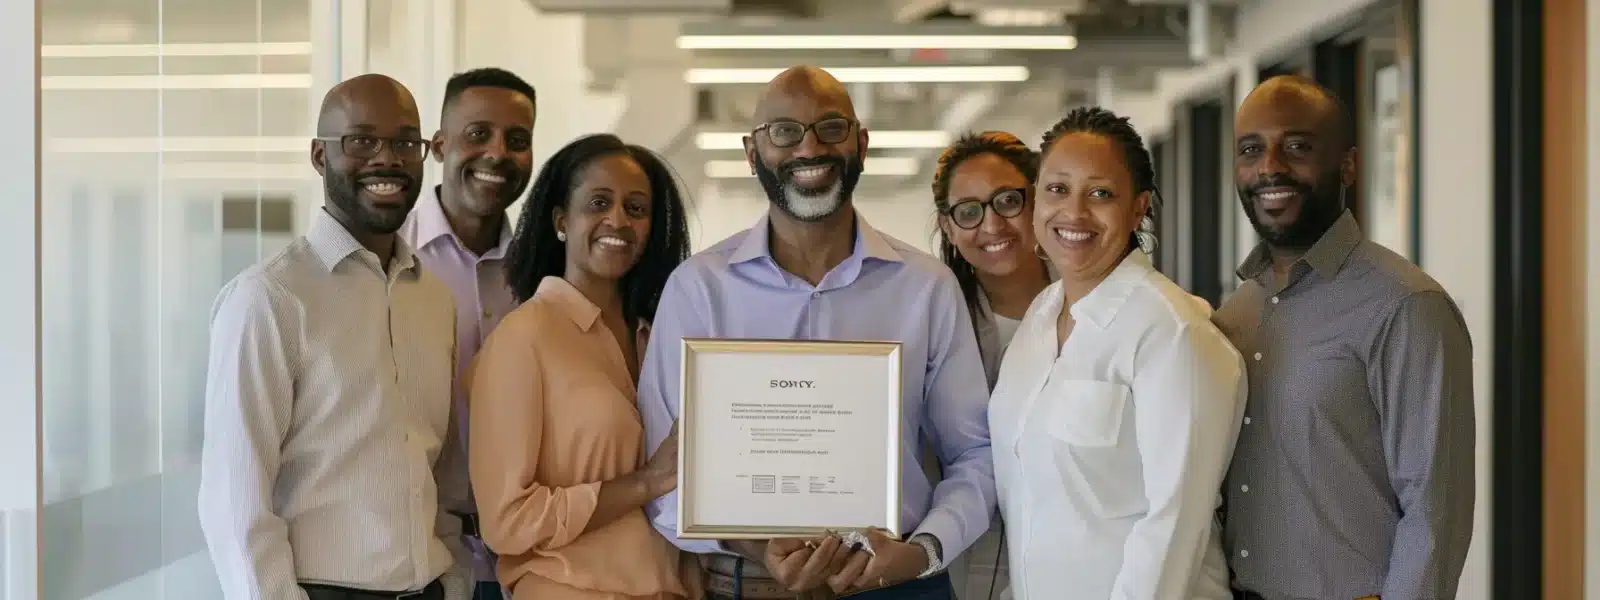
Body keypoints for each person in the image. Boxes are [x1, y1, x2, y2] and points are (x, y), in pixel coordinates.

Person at [635, 65, 996, 600]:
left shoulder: (926, 289)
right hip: (749, 586)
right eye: (784, 131)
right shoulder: (698, 290)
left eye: (831, 128)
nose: (809, 148)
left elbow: (977, 455)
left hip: (896, 586)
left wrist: (923, 551)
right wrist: (760, 547)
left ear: (862, 144)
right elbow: (664, 476)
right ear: (752, 152)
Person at [198, 73, 470, 600]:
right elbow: (235, 503)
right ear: (320, 157)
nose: (386, 159)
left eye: (404, 143)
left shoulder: (433, 299)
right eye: (361, 141)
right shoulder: (269, 298)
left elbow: (434, 468)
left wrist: (453, 580)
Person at [1217, 75, 1475, 600]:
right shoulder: (1236, 311)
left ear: (1349, 165)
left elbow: (1433, 510)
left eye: (1297, 147)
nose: (1270, 167)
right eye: (1252, 149)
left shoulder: (1404, 306)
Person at [986, 106, 1244, 600]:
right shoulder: (1041, 317)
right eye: (1057, 189)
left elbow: (1174, 525)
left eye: (1100, 193)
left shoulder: (1172, 332)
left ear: (1138, 207)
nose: (1074, 213)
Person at [467, 133, 698, 600]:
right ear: (561, 221)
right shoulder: (523, 338)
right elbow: (506, 521)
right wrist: (645, 482)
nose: (618, 219)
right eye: (598, 203)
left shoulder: (661, 338)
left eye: (636, 208)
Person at [400, 66, 537, 600]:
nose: (497, 152)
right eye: (478, 133)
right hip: (421, 558)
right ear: (438, 145)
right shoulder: (391, 258)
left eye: (517, 140)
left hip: (523, 560)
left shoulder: (542, 270)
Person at [928, 131, 1053, 600]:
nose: (991, 225)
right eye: (969, 211)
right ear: (948, 226)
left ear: (1037, 200)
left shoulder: (1099, 309)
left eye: (1007, 201)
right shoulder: (935, 324)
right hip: (967, 567)